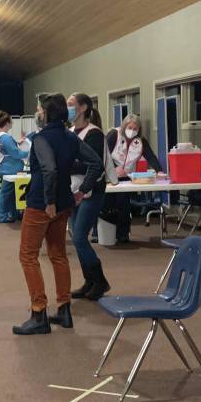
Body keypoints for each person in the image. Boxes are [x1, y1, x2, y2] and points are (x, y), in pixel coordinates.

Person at [13, 93, 102, 335]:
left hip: (42, 203)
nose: (38, 113)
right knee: (58, 255)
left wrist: (49, 201)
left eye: (40, 110)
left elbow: (49, 169)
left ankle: (39, 312)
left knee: (28, 256)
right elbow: (96, 163)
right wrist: (82, 191)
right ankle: (64, 310)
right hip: (64, 203)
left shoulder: (41, 138)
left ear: (46, 113)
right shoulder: (70, 136)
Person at [67, 93, 115, 301]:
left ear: (83, 107)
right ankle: (89, 280)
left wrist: (68, 163)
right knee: (77, 239)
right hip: (72, 189)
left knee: (79, 236)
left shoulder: (94, 133)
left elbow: (92, 165)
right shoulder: (70, 132)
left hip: (91, 191)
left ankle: (100, 280)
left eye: (71, 104)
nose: (67, 108)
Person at [104, 114, 162, 242]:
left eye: (135, 128)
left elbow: (150, 156)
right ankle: (102, 233)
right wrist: (113, 168)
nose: (132, 131)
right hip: (108, 175)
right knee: (106, 204)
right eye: (130, 127)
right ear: (124, 126)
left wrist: (159, 171)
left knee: (124, 205)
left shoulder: (141, 141)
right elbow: (103, 154)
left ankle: (122, 234)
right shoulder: (114, 135)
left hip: (126, 178)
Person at [0, 110, 29, 223]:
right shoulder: (6, 138)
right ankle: (1, 215)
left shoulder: (0, 136)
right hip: (10, 168)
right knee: (5, 193)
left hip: (7, 166)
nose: (12, 123)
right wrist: (29, 153)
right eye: (11, 121)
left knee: (11, 193)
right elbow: (15, 153)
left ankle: (12, 214)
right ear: (7, 123)